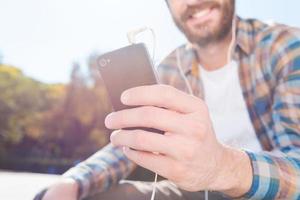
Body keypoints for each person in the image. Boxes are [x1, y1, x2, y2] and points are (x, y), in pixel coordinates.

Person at [37, 0, 300, 199]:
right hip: (193, 191)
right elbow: (137, 140)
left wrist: (222, 167)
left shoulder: (283, 45)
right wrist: (74, 181)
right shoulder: (171, 67)